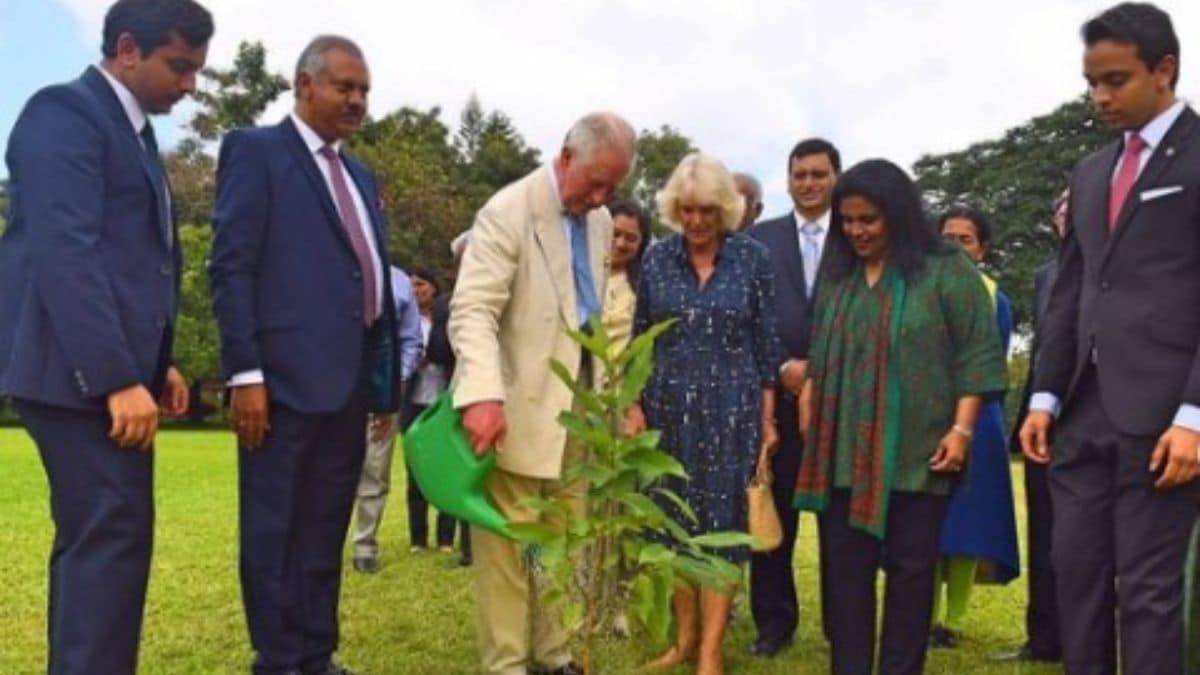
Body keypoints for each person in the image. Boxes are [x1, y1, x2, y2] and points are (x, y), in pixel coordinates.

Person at [0, 1, 212, 673]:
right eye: (179, 66)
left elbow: (135, 265)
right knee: (108, 541)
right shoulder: (62, 114)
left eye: (197, 71)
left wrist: (159, 362)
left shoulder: (135, 133)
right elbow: (69, 253)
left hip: (103, 372)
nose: (190, 85)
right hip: (73, 378)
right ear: (127, 48)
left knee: (103, 542)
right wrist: (117, 377)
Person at [209, 35, 400, 675]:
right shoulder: (257, 152)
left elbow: (365, 279)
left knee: (323, 528)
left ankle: (316, 654)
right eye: (345, 86)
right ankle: (279, 658)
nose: (357, 100)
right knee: (274, 530)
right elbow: (232, 267)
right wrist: (246, 372)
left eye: (365, 90)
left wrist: (383, 388)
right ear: (304, 85)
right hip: (280, 386)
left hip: (346, 387)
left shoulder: (360, 174)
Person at [1019, 5, 1200, 673]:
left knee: (1149, 592)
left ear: (1164, 70)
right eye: (1091, 82)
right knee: (1077, 577)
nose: (1099, 97)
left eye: (1115, 80)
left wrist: (1195, 416)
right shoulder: (1090, 172)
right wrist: (1042, 394)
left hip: (1164, 419)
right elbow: (1069, 291)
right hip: (1080, 412)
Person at [795, 159, 1006, 675]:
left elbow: (976, 355)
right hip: (843, 456)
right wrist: (809, 402)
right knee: (845, 577)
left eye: (869, 219)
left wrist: (961, 430)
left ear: (897, 213)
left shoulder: (944, 269)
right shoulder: (839, 276)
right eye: (848, 220)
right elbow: (820, 354)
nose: (856, 231)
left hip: (919, 455)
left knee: (912, 577)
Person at [449, 112, 635, 675]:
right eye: (594, 181)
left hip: (579, 405)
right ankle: (507, 663)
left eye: (613, 187)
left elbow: (592, 315)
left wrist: (614, 398)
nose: (601, 197)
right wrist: (481, 394)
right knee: (508, 543)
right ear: (565, 156)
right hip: (512, 403)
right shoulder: (508, 209)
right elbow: (472, 309)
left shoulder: (599, 220)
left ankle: (557, 656)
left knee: (568, 536)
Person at [625, 152, 785, 675]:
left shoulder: (753, 260)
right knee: (670, 524)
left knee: (722, 525)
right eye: (688, 210)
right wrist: (631, 403)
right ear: (675, 208)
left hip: (732, 411)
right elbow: (639, 339)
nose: (697, 222)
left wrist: (767, 421)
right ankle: (683, 640)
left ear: (726, 209)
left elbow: (766, 347)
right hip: (665, 411)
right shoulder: (655, 260)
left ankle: (711, 652)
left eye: (708, 212)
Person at [746, 137, 841, 656]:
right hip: (773, 405)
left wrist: (819, 372)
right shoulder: (759, 240)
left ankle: (841, 626)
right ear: (787, 180)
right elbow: (751, 318)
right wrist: (784, 367)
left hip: (840, 406)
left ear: (836, 178)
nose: (808, 183)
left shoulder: (857, 237)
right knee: (772, 515)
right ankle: (774, 625)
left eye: (819, 174)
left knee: (839, 528)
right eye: (800, 174)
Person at [931, 206, 1020, 647]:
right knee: (924, 527)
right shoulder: (917, 287)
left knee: (966, 527)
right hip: (924, 421)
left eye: (965, 239)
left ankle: (953, 620)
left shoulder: (994, 298)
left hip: (976, 422)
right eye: (947, 236)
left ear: (982, 249)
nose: (954, 246)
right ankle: (921, 617)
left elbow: (989, 368)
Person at [992, 190, 1068, 664]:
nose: (1067, 218)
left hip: (1107, 424)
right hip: (1046, 429)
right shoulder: (1047, 277)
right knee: (1044, 537)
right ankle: (1043, 640)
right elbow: (1046, 351)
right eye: (1061, 211)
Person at [351, 264, 424, 573]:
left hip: (382, 392)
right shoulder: (322, 264)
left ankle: (364, 546)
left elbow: (411, 339)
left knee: (375, 471)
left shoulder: (398, 281)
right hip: (329, 391)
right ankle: (319, 545)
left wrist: (399, 380)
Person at [401, 267, 461, 558]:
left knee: (447, 469)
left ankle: (446, 538)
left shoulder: (448, 315)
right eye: (411, 286)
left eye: (421, 284)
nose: (416, 291)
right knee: (415, 472)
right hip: (414, 402)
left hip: (444, 399)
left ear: (434, 288)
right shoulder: (402, 319)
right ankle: (418, 538)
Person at [603, 199, 650, 352]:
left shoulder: (644, 289)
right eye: (615, 233)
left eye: (630, 238)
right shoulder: (577, 277)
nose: (620, 243)